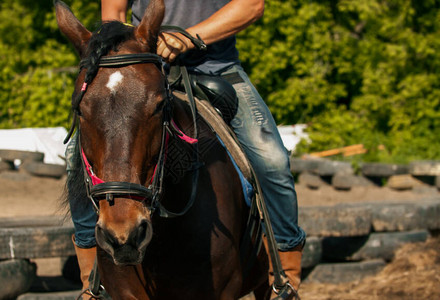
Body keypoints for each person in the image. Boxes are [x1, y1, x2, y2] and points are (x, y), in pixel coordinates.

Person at [70, 0, 306, 298]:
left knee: (270, 157)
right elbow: (113, 13)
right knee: (73, 158)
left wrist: (187, 36)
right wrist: (138, 45)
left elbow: (251, 6)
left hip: (218, 71)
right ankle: (93, 282)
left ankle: (284, 274)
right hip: (140, 66)